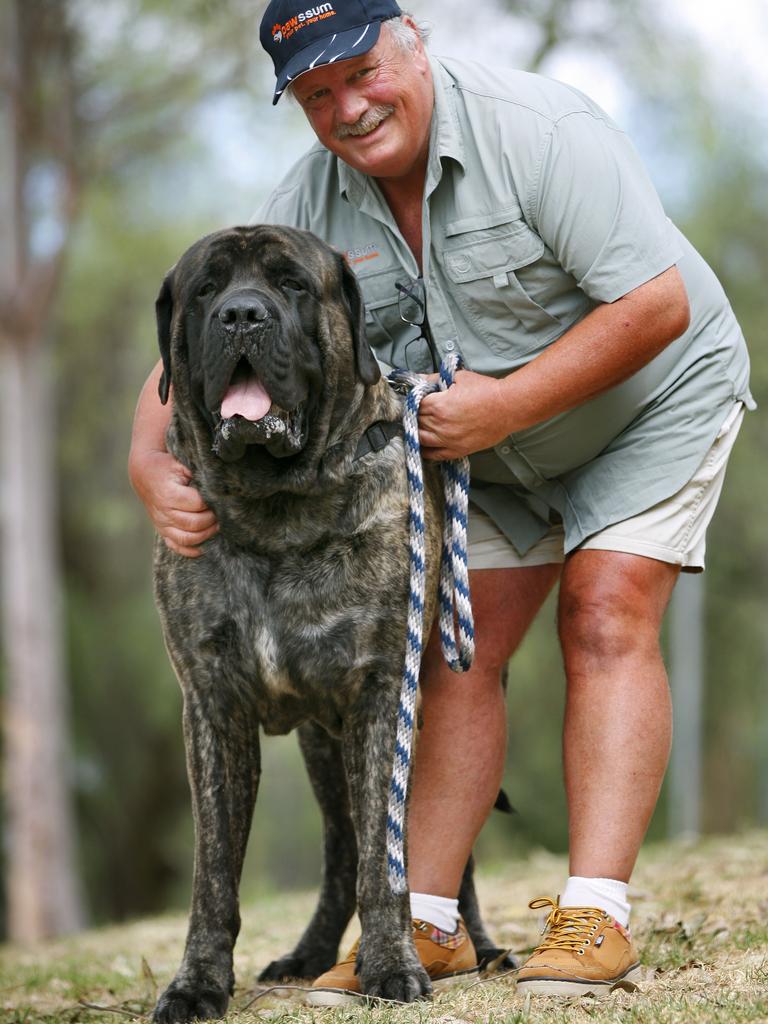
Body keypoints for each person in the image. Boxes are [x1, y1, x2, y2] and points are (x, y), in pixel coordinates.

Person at [129, 0, 753, 1000]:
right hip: (495, 447)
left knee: (605, 610)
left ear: (412, 41)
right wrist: (149, 465)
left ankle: (593, 916)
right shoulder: (312, 199)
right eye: (317, 94)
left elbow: (660, 304)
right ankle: (425, 926)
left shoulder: (542, 133)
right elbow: (201, 320)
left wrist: (505, 406)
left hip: (650, 402)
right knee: (457, 654)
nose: (349, 107)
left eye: (363, 70)